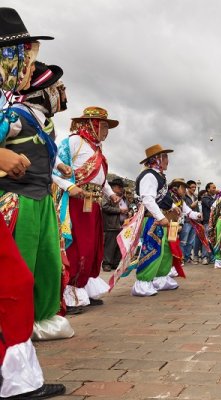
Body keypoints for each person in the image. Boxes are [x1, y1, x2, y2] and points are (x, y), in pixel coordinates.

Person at [0, 7, 66, 398]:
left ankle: (18, 377)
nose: (29, 64)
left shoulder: (11, 104)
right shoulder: (11, 111)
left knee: (22, 280)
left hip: (34, 196)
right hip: (13, 200)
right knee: (13, 282)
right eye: (24, 55)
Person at [1, 59, 75, 340]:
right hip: (18, 198)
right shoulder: (15, 116)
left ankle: (42, 316)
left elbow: (41, 155)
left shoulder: (46, 123)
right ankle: (14, 322)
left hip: (43, 198)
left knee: (48, 262)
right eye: (59, 88)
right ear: (45, 90)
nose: (63, 94)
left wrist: (59, 170)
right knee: (22, 262)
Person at [53, 106, 120, 309]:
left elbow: (101, 178)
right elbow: (54, 166)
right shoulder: (74, 142)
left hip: (94, 202)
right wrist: (69, 186)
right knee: (78, 245)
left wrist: (110, 194)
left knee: (92, 247)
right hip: (76, 201)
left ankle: (84, 289)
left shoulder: (96, 148)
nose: (106, 132)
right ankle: (69, 292)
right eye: (104, 126)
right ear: (92, 124)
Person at [132, 144, 181, 296]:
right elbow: (148, 198)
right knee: (152, 249)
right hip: (151, 219)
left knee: (165, 250)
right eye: (164, 157)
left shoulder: (159, 176)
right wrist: (160, 217)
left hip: (160, 218)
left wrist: (173, 206)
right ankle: (142, 283)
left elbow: (163, 197)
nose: (167, 160)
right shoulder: (149, 175)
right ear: (156, 159)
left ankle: (160, 278)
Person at [101, 178, 128, 271]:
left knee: (118, 246)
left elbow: (127, 208)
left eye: (122, 187)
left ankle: (115, 263)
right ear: (113, 188)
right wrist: (119, 210)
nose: (121, 189)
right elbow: (104, 207)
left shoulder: (124, 198)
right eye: (119, 187)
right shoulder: (107, 196)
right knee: (110, 246)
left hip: (122, 225)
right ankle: (106, 263)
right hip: (111, 225)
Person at [180, 180, 199, 263]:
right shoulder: (184, 196)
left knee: (191, 242)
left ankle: (187, 258)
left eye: (195, 187)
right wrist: (191, 206)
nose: (194, 189)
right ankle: (181, 258)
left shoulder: (195, 197)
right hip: (186, 221)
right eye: (192, 187)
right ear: (188, 188)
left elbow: (197, 209)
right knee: (183, 240)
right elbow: (183, 209)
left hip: (194, 221)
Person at [199, 182, 217, 264]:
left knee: (212, 240)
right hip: (207, 222)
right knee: (206, 240)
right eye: (213, 188)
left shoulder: (213, 197)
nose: (215, 189)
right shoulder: (205, 197)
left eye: (215, 187)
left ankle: (211, 257)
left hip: (213, 222)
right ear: (208, 189)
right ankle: (204, 257)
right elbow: (212, 205)